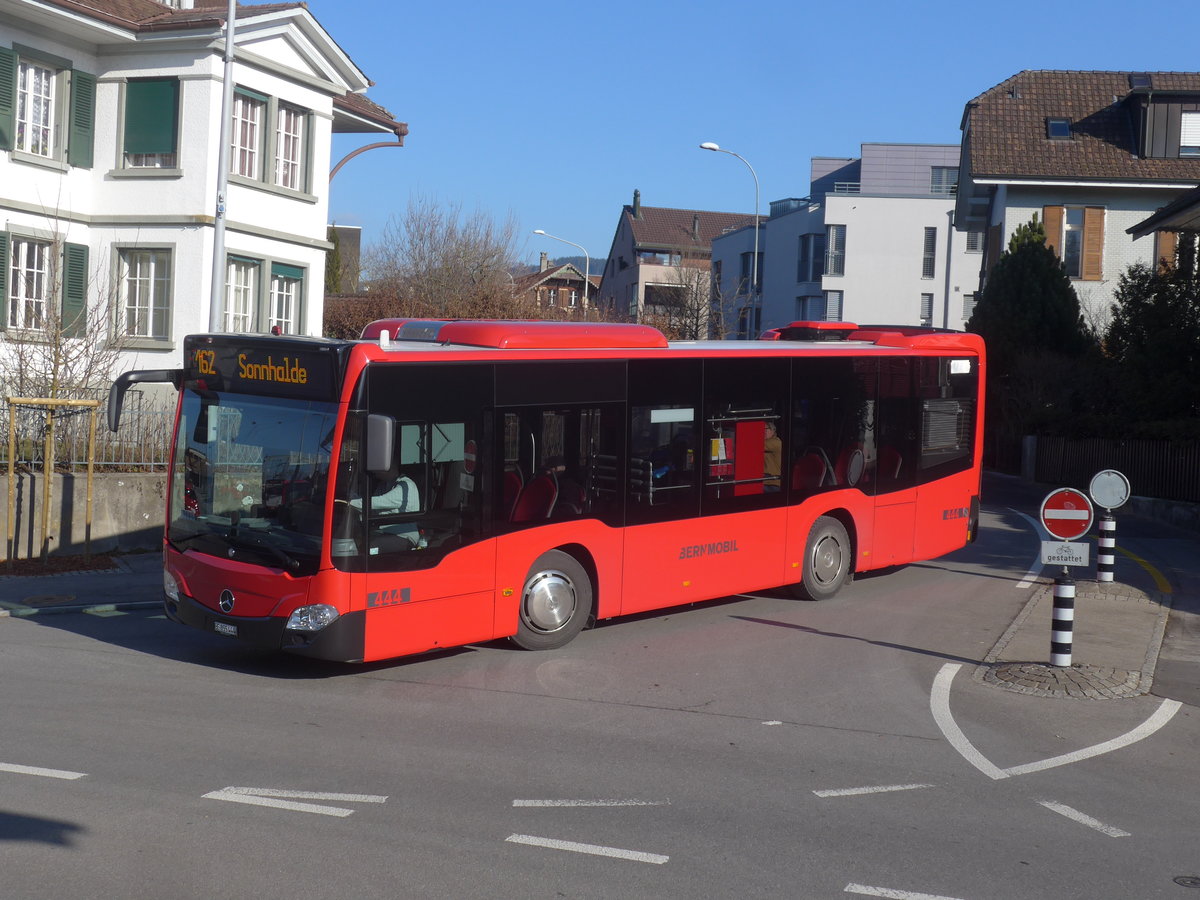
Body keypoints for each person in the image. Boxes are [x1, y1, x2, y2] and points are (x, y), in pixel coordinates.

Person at [763, 421, 782, 491]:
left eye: (765, 429)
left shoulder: (776, 442)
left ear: (773, 431)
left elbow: (757, 446)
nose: (763, 431)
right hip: (765, 480)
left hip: (773, 483)